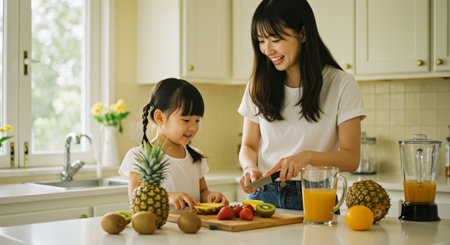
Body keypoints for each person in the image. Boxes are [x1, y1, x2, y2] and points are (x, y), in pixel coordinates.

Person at [238, 0, 365, 210]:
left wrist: (308, 157)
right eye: (261, 40)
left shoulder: (341, 84)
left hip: (315, 194)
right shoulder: (257, 84)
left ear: (303, 34)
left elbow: (351, 158)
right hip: (263, 195)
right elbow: (249, 146)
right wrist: (250, 167)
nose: (267, 50)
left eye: (276, 39)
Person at [119, 78, 228, 210]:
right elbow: (136, 196)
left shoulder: (195, 156)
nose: (193, 127)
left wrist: (211, 195)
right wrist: (167, 196)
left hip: (193, 227)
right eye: (186, 120)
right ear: (160, 117)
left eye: (197, 120)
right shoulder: (139, 155)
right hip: (158, 228)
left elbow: (202, 192)